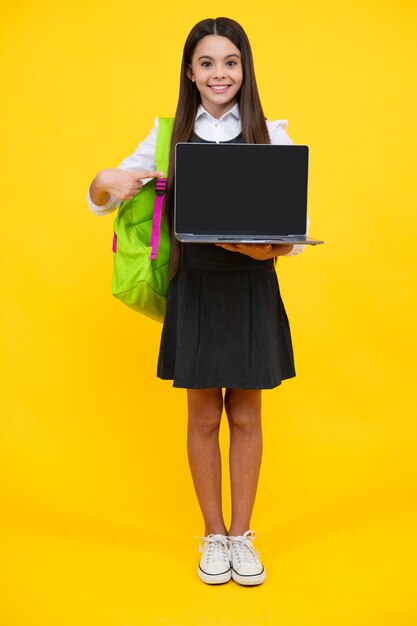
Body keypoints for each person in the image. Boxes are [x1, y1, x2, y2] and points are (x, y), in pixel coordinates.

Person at [87, 17, 308, 587]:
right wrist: (103, 180)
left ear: (245, 69)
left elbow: (293, 228)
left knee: (248, 415)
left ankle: (242, 537)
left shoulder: (268, 133)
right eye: (207, 63)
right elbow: (103, 199)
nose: (219, 74)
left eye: (229, 62)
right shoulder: (165, 137)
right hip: (197, 286)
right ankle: (213, 538)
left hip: (252, 285)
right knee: (204, 416)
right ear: (190, 71)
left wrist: (270, 252)